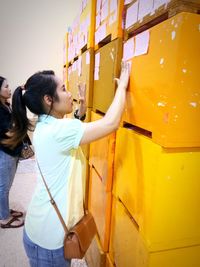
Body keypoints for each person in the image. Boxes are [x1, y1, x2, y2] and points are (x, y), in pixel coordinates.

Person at [2, 62, 129, 267]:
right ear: (48, 99)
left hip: (38, 230)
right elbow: (110, 123)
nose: (70, 94)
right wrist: (122, 87)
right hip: (50, 243)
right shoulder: (60, 131)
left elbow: (71, 130)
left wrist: (83, 105)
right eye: (63, 89)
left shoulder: (42, 124)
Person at [0, 76, 24, 228]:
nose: (9, 89)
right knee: (3, 186)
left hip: (11, 151)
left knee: (7, 185)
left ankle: (5, 210)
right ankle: (4, 218)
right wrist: (20, 128)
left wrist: (19, 92)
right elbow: (8, 132)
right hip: (5, 152)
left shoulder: (5, 105)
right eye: (6, 86)